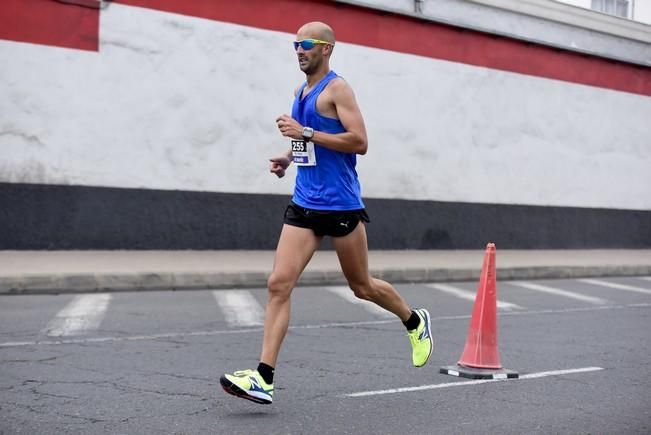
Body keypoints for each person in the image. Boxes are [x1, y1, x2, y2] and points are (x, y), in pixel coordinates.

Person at [220, 21, 433, 405]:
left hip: (340, 204)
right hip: (304, 202)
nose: (299, 50)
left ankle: (414, 320)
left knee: (362, 286)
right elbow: (306, 141)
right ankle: (263, 377)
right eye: (294, 45)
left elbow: (360, 142)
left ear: (326, 49)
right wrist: (288, 157)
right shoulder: (301, 90)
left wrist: (304, 134)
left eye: (306, 44)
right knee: (277, 284)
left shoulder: (338, 88)